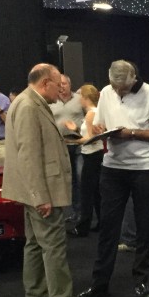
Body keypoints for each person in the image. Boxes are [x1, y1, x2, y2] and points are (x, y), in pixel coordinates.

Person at [1, 63, 97, 297]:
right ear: (45, 83)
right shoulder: (30, 106)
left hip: (32, 189)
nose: (63, 90)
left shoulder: (27, 102)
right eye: (59, 85)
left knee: (34, 244)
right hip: (42, 190)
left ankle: (36, 294)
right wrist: (40, 196)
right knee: (53, 245)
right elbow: (29, 156)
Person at [77, 60, 149, 297]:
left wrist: (131, 133)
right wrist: (99, 129)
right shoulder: (107, 92)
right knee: (108, 226)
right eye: (114, 86)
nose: (118, 91)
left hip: (144, 168)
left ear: (134, 78)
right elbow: (103, 124)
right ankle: (100, 283)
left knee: (144, 224)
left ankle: (140, 279)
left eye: (123, 87)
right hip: (113, 166)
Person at [64, 84, 104, 237]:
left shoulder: (90, 114)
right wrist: (75, 130)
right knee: (95, 193)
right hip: (94, 154)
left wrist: (73, 140)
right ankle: (101, 223)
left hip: (91, 155)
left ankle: (82, 227)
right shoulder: (94, 112)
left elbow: (91, 138)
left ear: (86, 98)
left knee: (87, 193)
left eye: (81, 97)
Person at [49, 74, 85, 219]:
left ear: (70, 85)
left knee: (80, 177)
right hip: (60, 145)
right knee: (66, 181)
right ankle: (71, 212)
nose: (62, 86)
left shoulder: (79, 99)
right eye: (59, 84)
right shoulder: (52, 101)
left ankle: (82, 212)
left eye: (64, 83)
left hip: (79, 144)